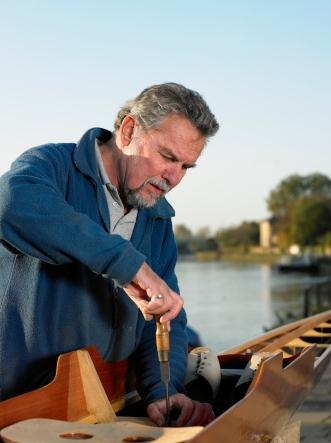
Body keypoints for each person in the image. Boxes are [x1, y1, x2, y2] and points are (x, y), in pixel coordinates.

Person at [0, 82, 219, 426]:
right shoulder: (51, 167)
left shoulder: (158, 219)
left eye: (186, 167)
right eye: (167, 157)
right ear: (129, 130)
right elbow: (9, 204)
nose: (174, 177)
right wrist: (128, 265)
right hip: (20, 411)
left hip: (105, 411)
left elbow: (164, 317)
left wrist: (166, 390)